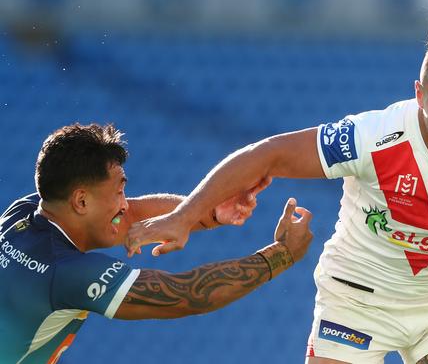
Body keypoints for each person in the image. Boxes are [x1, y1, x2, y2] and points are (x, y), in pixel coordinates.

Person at [127, 14, 428, 364]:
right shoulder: (373, 137)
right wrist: (183, 216)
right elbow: (270, 154)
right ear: (419, 95)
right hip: (355, 301)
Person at [0, 123, 314, 364]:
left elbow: (133, 214)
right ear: (81, 200)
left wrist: (209, 211)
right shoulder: (66, 274)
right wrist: (280, 255)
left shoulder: (24, 212)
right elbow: (188, 294)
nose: (125, 204)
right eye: (119, 191)